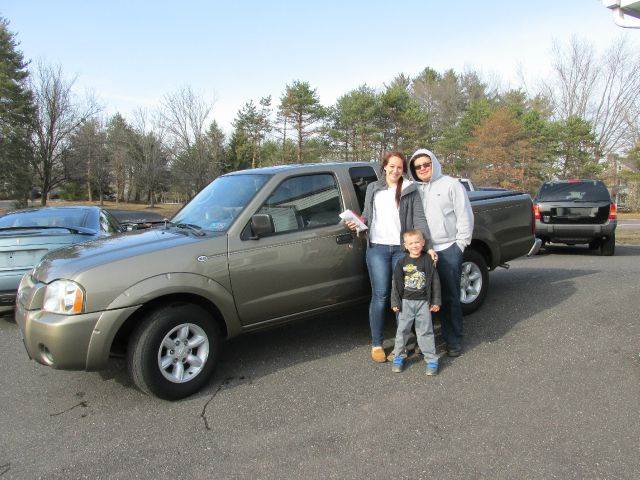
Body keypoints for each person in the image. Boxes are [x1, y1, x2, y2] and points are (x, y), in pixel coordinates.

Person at [345, 151, 436, 363]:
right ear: (384, 166)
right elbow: (367, 217)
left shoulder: (409, 189)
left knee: (401, 295)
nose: (395, 170)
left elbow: (419, 220)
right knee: (381, 295)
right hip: (376, 248)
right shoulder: (373, 189)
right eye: (391, 166)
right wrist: (355, 224)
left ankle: (401, 344)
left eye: (399, 167)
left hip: (400, 250)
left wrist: (428, 246)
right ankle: (377, 343)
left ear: (403, 169)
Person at [408, 148, 474, 357]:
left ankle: (453, 340)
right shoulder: (413, 189)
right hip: (421, 251)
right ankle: (424, 342)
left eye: (426, 164)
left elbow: (465, 215)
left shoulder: (451, 185)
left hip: (448, 249)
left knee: (450, 296)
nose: (423, 169)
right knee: (421, 297)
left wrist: (460, 245)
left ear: (434, 163)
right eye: (418, 167)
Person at [390, 230, 441, 375]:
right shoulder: (401, 262)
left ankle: (431, 360)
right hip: (406, 303)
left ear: (423, 243)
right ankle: (398, 357)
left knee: (425, 331)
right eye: (411, 243)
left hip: (423, 303)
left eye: (417, 242)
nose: (414, 245)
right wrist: (395, 302)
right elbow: (395, 284)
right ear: (405, 245)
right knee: (402, 330)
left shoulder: (427, 261)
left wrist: (436, 301)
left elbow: (435, 282)